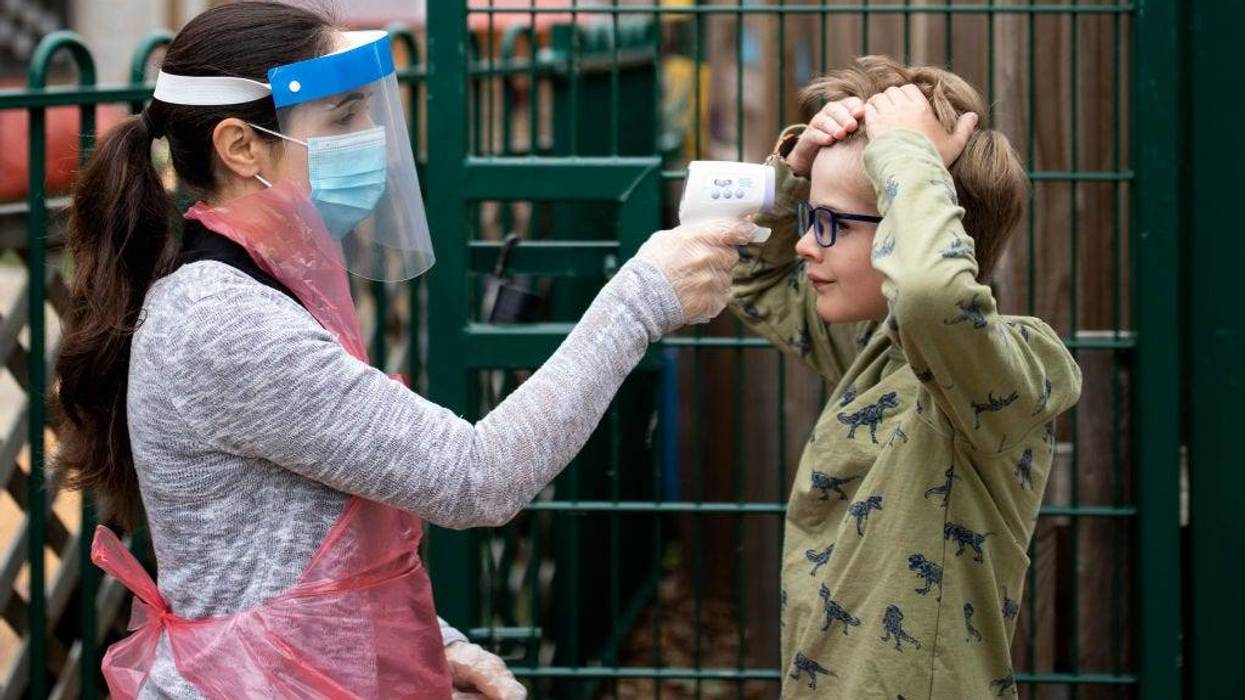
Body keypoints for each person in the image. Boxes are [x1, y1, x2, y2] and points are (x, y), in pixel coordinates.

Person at [51, 3, 750, 698]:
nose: (373, 138)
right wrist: (640, 301)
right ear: (242, 147)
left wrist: (429, 639)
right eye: (344, 117)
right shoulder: (223, 320)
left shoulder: (260, 283)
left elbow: (286, 534)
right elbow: (476, 477)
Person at [730, 56, 1082, 698]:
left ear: (912, 222)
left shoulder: (1004, 372)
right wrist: (796, 171)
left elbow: (929, 290)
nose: (807, 243)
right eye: (810, 218)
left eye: (830, 224)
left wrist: (903, 154)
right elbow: (744, 277)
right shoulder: (876, 348)